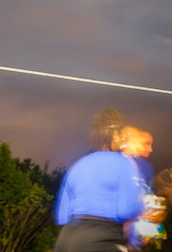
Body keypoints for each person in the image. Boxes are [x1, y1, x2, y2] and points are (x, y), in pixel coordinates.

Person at [55, 108, 146, 252]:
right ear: (115, 135)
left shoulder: (77, 165)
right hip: (101, 239)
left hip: (67, 239)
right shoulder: (123, 163)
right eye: (121, 136)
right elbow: (126, 209)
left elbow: (61, 216)